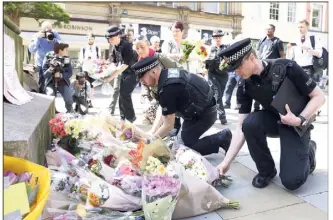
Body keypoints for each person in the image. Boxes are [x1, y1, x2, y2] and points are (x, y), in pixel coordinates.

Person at [216, 38, 326, 190]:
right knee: (249, 124)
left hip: (297, 123)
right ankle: (266, 170)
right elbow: (240, 127)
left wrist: (299, 119)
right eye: (233, 69)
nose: (236, 72)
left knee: (292, 182)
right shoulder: (244, 85)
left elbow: (319, 96)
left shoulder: (287, 67)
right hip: (275, 120)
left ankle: (310, 151)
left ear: (252, 58)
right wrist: (225, 162)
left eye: (238, 66)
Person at [131, 56, 232, 156]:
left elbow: (168, 125)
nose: (141, 81)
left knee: (180, 151)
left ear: (153, 72)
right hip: (198, 110)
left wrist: (150, 141)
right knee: (178, 146)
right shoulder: (166, 75)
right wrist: (152, 132)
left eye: (142, 76)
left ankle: (221, 138)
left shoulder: (167, 87)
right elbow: (163, 109)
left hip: (204, 114)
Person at [134, 36, 183, 124]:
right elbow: (144, 82)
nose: (140, 50)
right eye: (137, 48)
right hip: (157, 96)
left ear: (148, 45)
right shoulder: (139, 63)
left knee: (172, 118)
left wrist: (169, 82)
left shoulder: (160, 57)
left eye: (142, 47)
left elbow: (179, 70)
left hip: (170, 92)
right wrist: (146, 96)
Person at [105, 25, 139, 123]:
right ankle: (122, 117)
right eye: (108, 38)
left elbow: (125, 64)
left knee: (125, 94)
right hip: (124, 74)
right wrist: (102, 69)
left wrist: (111, 76)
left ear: (118, 35)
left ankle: (130, 118)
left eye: (111, 37)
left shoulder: (126, 45)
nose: (110, 40)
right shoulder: (116, 47)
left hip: (133, 73)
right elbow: (113, 62)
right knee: (121, 94)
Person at [254, 24, 285, 111]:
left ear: (274, 30)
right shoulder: (261, 41)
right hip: (261, 68)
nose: (268, 30)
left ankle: (266, 108)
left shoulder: (278, 42)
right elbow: (257, 53)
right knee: (258, 88)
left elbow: (282, 56)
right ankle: (256, 107)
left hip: (272, 69)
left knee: (269, 89)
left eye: (270, 29)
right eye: (267, 29)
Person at [29, 20, 61, 93]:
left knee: (52, 87)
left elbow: (62, 45)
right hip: (41, 64)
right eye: (45, 29)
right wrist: (38, 39)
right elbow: (31, 50)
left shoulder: (54, 34)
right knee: (41, 85)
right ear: (42, 29)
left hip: (53, 64)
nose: (47, 31)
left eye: (49, 29)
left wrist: (53, 40)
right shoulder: (37, 35)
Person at [205, 29, 229, 125]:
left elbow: (231, 61)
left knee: (219, 96)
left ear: (222, 38)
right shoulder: (209, 48)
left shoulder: (226, 48)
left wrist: (228, 61)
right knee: (218, 96)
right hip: (212, 74)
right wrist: (206, 62)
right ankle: (222, 117)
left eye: (219, 37)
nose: (217, 39)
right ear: (213, 39)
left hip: (223, 75)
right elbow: (204, 61)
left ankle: (210, 111)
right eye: (215, 38)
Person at [42, 42, 73, 113]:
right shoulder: (48, 56)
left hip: (63, 81)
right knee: (50, 97)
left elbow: (70, 73)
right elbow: (45, 74)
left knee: (69, 99)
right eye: (66, 50)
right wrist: (51, 68)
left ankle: (70, 112)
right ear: (60, 50)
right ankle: (52, 113)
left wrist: (61, 75)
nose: (67, 52)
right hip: (50, 81)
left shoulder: (67, 59)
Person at [79, 33, 101, 108]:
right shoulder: (84, 48)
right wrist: (86, 59)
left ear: (94, 39)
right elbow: (80, 59)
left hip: (94, 69)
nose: (90, 40)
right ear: (87, 39)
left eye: (92, 38)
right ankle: (85, 100)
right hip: (85, 68)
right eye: (89, 38)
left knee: (92, 86)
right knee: (86, 85)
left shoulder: (97, 47)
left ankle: (90, 101)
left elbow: (99, 59)